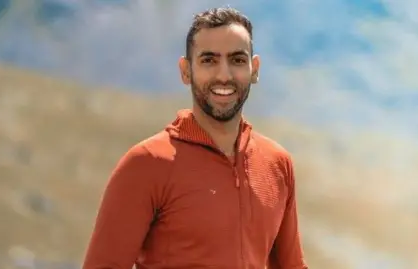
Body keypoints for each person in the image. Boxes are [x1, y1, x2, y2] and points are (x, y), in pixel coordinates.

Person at [82, 6, 308, 269]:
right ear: (186, 70)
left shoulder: (277, 163)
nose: (224, 75)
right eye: (209, 60)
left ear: (254, 69)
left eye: (236, 60)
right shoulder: (146, 164)